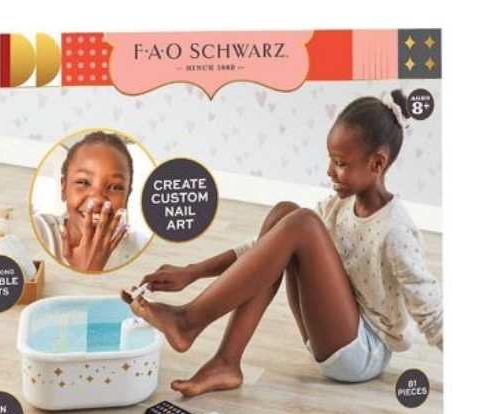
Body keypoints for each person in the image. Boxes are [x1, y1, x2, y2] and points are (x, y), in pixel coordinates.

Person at [127, 91, 442, 397]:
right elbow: (264, 248)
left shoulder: (396, 231)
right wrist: (193, 271)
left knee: (302, 222)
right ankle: (226, 362)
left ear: (377, 163)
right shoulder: (339, 206)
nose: (329, 171)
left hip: (363, 352)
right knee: (285, 213)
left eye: (340, 163)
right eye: (330, 160)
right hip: (336, 330)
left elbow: (431, 311)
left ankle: (188, 321)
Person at [32, 131, 145, 273]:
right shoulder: (39, 230)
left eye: (115, 187)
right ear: (64, 189)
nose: (97, 199)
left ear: (127, 197)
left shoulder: (138, 249)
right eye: (83, 182)